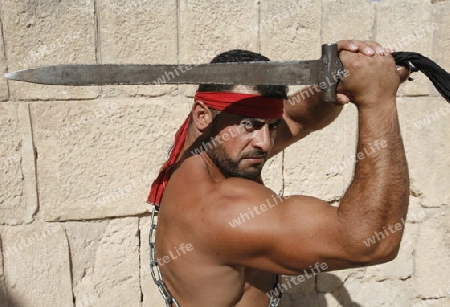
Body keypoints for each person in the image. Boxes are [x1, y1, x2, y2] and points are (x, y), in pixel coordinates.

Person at [147, 40, 410, 307]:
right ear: (203, 115)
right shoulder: (221, 209)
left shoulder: (196, 155)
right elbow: (371, 242)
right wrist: (377, 99)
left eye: (271, 126)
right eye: (250, 124)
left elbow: (296, 118)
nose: (264, 142)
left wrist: (335, 82)